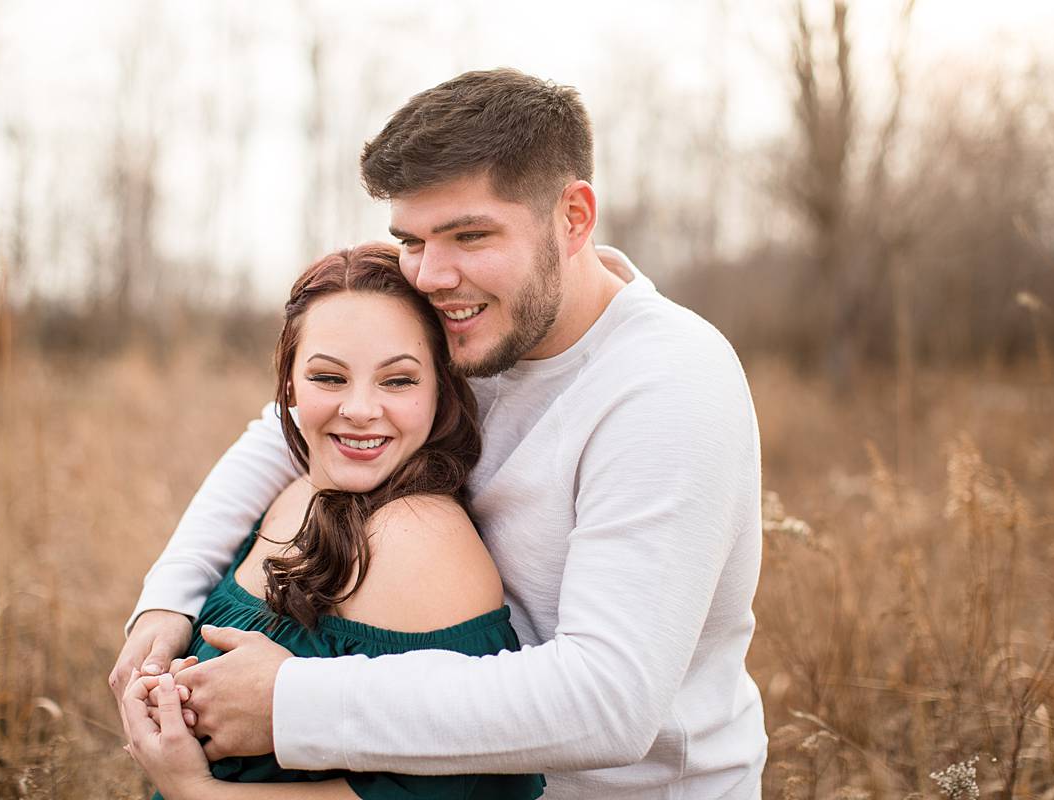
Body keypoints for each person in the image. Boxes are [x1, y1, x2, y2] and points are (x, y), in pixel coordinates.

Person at [110, 68, 767, 799]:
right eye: (412, 239)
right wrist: (169, 598)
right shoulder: (479, 320)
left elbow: (609, 701)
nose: (429, 274)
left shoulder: (667, 385)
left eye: (470, 235)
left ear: (574, 218)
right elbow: (287, 425)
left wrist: (294, 702)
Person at [120, 243, 545, 799]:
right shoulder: (289, 493)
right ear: (289, 383)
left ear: (440, 389)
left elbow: (445, 786)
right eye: (329, 378)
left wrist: (197, 790)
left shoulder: (424, 541)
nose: (362, 408)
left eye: (398, 381)